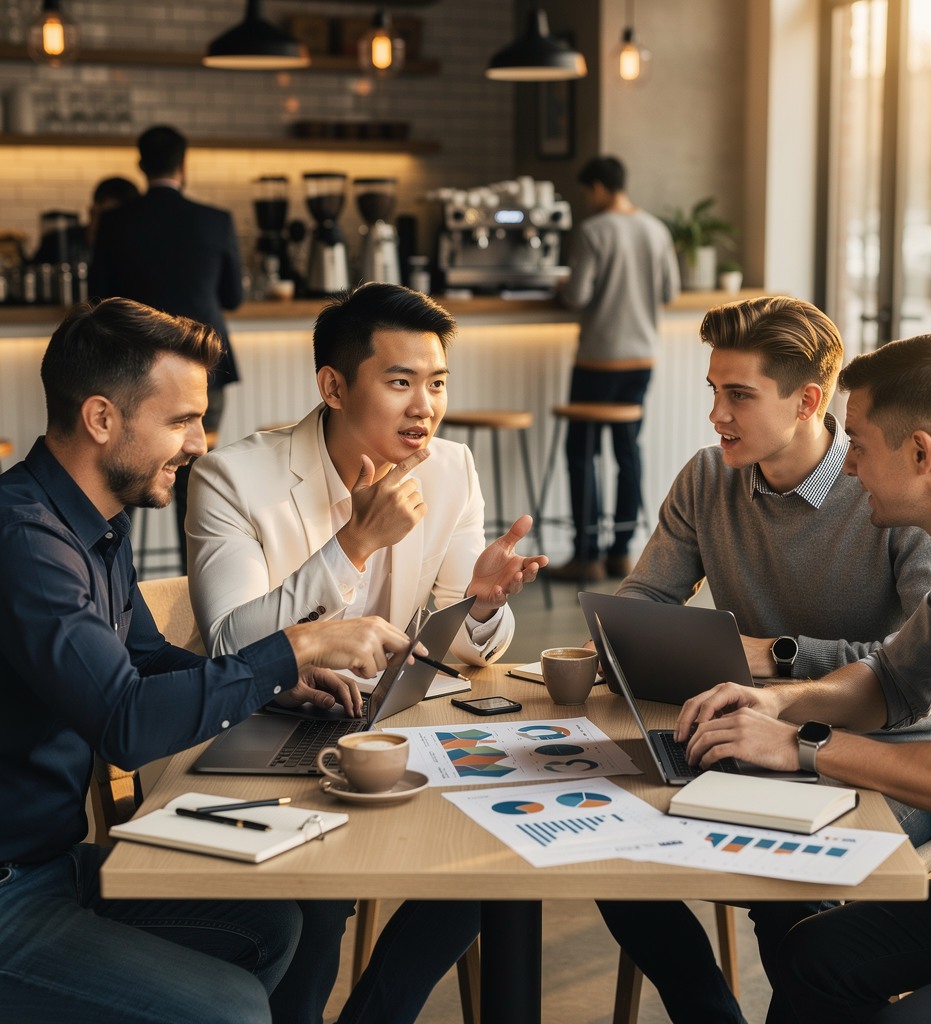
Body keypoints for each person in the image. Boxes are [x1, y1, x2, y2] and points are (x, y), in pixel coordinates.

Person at [0, 297, 419, 1024]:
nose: (199, 443)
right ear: (103, 419)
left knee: (273, 924)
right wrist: (289, 648)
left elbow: (145, 658)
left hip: (51, 865)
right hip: (10, 888)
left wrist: (279, 684)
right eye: (180, 420)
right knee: (230, 1009)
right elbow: (124, 722)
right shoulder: (24, 541)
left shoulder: (94, 521)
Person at [593, 296, 931, 1024]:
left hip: (891, 754)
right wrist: (637, 637)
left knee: (785, 878)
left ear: (808, 401)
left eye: (739, 396)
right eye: (714, 392)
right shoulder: (706, 478)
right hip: (753, 736)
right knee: (600, 838)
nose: (716, 415)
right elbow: (645, 601)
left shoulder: (889, 485)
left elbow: (928, 661)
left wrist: (777, 656)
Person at [674, 333, 931, 1023]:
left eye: (859, 445)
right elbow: (890, 682)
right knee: (816, 956)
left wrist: (804, 744)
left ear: (922, 453)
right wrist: (775, 705)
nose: (851, 467)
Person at [186, 281, 547, 667]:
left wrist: (479, 608)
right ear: (334, 388)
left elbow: (468, 649)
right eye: (401, 383)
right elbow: (230, 648)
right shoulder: (229, 479)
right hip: (270, 717)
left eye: (437, 384)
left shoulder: (451, 469)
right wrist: (353, 545)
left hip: (389, 719)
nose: (424, 408)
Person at [90, 124, 243, 570]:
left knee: (124, 476)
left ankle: (118, 579)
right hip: (203, 371)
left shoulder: (117, 222)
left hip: (130, 373)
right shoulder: (215, 220)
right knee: (192, 481)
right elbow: (232, 297)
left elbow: (96, 300)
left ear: (140, 165)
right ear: (184, 164)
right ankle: (194, 586)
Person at [550, 154, 679, 582]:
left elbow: (578, 296)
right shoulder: (655, 229)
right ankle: (621, 553)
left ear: (599, 188)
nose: (589, 199)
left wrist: (562, 284)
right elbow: (670, 291)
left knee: (581, 453)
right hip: (641, 359)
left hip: (598, 360)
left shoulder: (593, 231)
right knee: (628, 452)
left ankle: (586, 555)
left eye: (589, 191)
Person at [32, 176, 140, 267]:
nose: (113, 225)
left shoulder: (132, 250)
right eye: (108, 217)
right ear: (92, 210)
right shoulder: (57, 242)